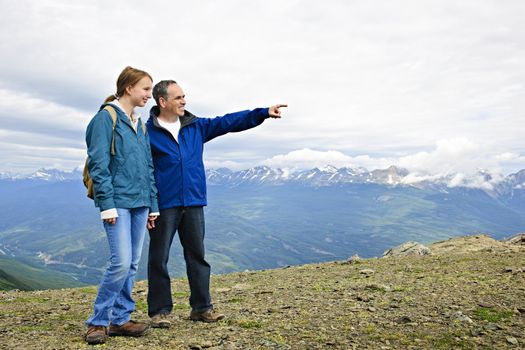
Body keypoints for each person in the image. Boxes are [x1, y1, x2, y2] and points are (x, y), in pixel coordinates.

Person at [146, 79, 286, 328]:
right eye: (178, 97)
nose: (184, 101)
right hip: (164, 204)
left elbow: (227, 122)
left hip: (194, 202)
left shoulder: (195, 127)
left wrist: (262, 113)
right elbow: (142, 171)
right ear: (163, 102)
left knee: (197, 256)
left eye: (184, 96)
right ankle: (159, 311)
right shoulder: (147, 133)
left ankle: (201, 308)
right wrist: (148, 204)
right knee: (159, 258)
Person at [84, 66, 160, 345]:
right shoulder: (106, 118)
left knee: (131, 265)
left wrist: (152, 204)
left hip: (140, 203)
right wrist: (106, 204)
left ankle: (120, 318)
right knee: (120, 263)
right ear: (129, 88)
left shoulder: (138, 123)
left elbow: (148, 166)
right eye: (145, 89)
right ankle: (98, 321)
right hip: (117, 203)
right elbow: (98, 165)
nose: (149, 96)